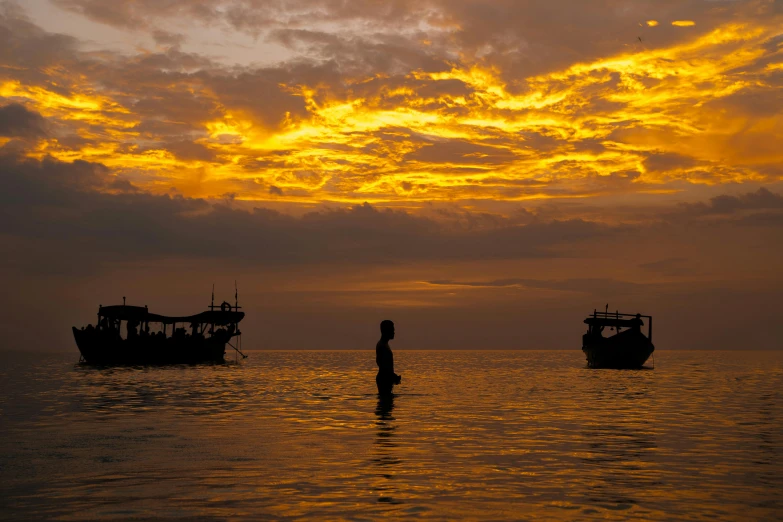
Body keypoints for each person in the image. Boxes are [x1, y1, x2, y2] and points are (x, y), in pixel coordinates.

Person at [376, 320, 401, 395]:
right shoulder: (382, 346)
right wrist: (391, 376)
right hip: (384, 378)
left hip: (386, 377)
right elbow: (380, 363)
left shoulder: (384, 345)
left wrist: (393, 376)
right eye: (392, 330)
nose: (394, 332)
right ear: (386, 330)